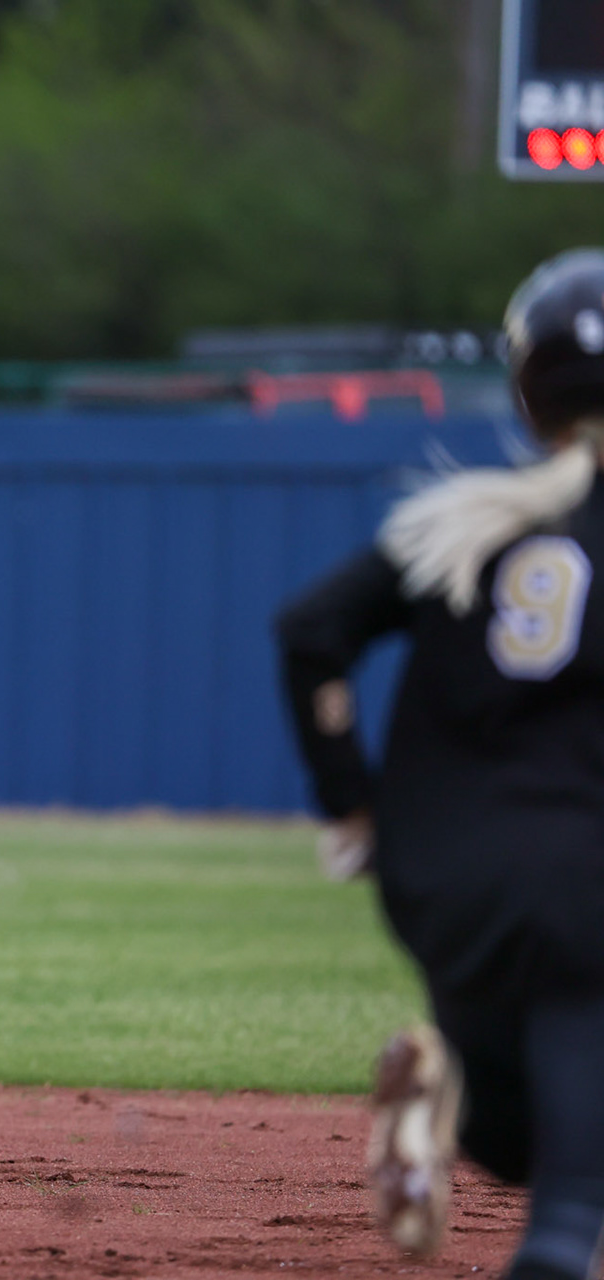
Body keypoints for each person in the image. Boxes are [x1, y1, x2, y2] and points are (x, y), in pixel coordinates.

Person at [276, 249, 604, 1280]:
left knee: (520, 1125)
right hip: (586, 871)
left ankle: (450, 1083)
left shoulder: (463, 517)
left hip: (441, 869)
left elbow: (310, 631)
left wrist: (350, 805)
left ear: (526, 385)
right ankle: (553, 1227)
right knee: (571, 1165)